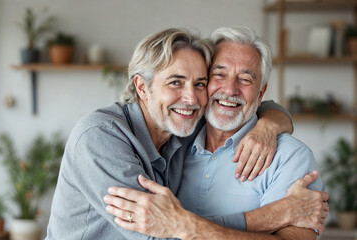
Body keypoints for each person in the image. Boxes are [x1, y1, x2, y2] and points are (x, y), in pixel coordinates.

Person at [46, 28, 322, 240]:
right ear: (142, 87)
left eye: (199, 83)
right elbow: (159, 232)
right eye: (175, 82)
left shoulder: (181, 129)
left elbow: (175, 226)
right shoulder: (100, 137)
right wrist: (276, 214)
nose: (190, 98)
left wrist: (270, 124)